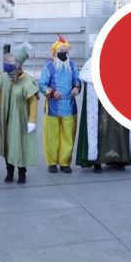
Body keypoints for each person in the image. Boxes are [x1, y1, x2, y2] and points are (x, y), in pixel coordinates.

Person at [76, 57, 131, 173]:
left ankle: (118, 159)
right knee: (100, 131)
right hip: (101, 107)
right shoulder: (92, 63)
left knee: (119, 132)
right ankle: (96, 161)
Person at [0, 47, 39, 183]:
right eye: (6, 61)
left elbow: (33, 101)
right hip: (5, 117)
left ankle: (22, 172)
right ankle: (9, 171)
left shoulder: (27, 80)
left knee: (19, 144)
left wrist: (32, 120)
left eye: (10, 61)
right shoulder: (4, 78)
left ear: (18, 64)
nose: (7, 64)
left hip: (20, 118)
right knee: (7, 144)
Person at [39, 35, 80, 174]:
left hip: (69, 106)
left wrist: (77, 88)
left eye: (66, 50)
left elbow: (77, 81)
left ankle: (65, 162)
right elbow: (42, 85)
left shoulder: (73, 65)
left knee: (68, 136)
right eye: (61, 50)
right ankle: (52, 163)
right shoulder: (49, 66)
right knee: (52, 136)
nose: (64, 53)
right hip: (53, 107)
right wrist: (52, 92)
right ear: (55, 52)